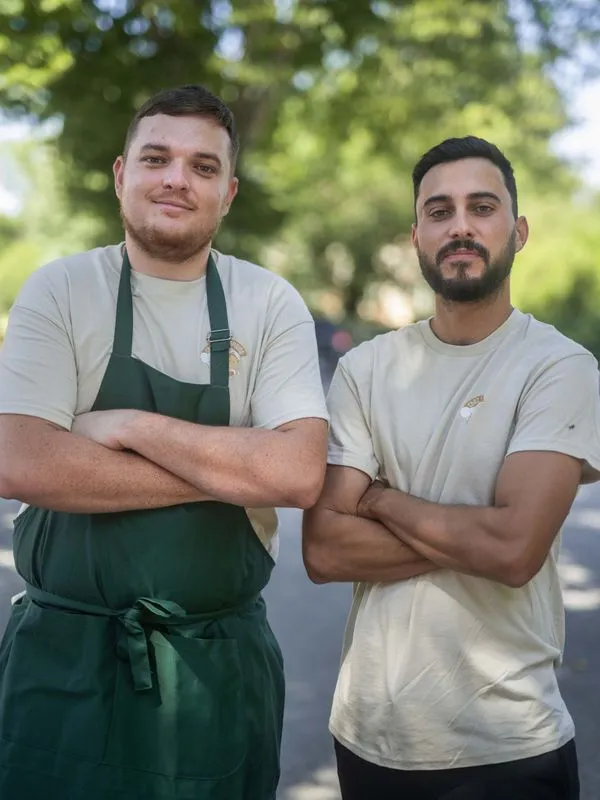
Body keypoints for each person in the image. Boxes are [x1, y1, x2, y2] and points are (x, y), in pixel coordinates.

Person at [0, 84, 328, 800]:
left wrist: (126, 429)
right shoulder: (61, 290)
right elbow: (21, 460)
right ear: (123, 175)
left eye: (203, 167)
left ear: (228, 192)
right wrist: (237, 464)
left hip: (216, 673)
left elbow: (300, 473)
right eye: (157, 158)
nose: (178, 178)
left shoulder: (268, 303)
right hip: (60, 668)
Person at [303, 136, 600, 800]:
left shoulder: (558, 368)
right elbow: (324, 549)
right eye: (439, 211)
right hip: (369, 740)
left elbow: (515, 549)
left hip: (508, 745)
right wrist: (478, 535)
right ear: (417, 235)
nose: (460, 225)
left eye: (481, 206)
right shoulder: (365, 370)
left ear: (517, 231)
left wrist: (380, 502)